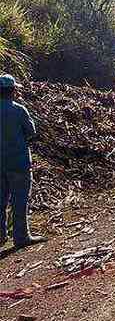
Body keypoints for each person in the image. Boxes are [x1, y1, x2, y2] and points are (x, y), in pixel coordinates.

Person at [0, 74, 48, 249]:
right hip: (18, 163)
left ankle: (1, 237)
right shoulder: (19, 110)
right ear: (12, 91)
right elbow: (31, 132)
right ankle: (21, 237)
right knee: (19, 201)